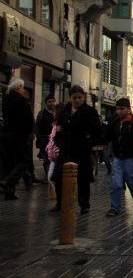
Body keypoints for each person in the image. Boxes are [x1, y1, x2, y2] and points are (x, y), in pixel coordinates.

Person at [50, 85, 101, 213]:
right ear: (70, 98)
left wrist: (88, 143)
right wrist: (59, 141)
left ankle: (84, 204)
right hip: (66, 149)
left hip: (81, 151)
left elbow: (96, 132)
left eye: (80, 97)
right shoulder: (65, 111)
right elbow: (59, 127)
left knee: (83, 179)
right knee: (59, 177)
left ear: (84, 97)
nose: (77, 100)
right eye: (74, 98)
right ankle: (60, 203)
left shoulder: (89, 112)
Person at [102, 98, 133, 216]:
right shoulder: (114, 122)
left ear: (129, 109)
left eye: (122, 109)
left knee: (132, 183)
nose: (119, 111)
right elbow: (107, 136)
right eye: (117, 109)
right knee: (116, 182)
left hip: (130, 158)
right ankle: (115, 207)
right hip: (117, 157)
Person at [0, 78, 35, 200]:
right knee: (24, 160)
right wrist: (29, 133)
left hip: (4, 133)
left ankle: (9, 191)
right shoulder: (22, 101)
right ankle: (8, 182)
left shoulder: (4, 100)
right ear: (19, 88)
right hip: (18, 134)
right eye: (23, 88)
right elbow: (28, 120)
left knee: (7, 162)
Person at [34, 94, 56, 178]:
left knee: (53, 158)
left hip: (54, 140)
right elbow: (37, 126)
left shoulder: (57, 112)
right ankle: (48, 176)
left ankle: (53, 175)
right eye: (49, 101)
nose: (51, 103)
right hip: (44, 139)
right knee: (46, 159)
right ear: (46, 103)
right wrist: (39, 137)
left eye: (53, 101)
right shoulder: (42, 113)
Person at [45, 103, 65, 192]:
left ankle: (62, 197)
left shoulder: (61, 125)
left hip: (59, 155)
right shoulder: (54, 125)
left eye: (54, 111)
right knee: (51, 177)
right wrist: (49, 148)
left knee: (54, 177)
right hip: (53, 156)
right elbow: (52, 139)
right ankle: (60, 197)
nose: (53, 113)